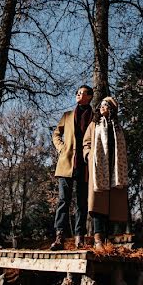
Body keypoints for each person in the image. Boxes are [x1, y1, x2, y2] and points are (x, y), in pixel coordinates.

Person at [50, 85, 94, 250]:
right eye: (77, 93)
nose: (78, 95)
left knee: (82, 203)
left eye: (82, 93)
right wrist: (61, 148)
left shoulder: (94, 117)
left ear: (89, 96)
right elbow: (56, 134)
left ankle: (79, 239)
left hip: (85, 165)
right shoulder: (67, 116)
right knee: (63, 201)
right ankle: (59, 237)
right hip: (66, 164)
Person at [83, 96, 128, 249]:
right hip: (99, 169)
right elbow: (86, 143)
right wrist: (88, 155)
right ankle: (98, 239)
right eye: (101, 105)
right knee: (98, 205)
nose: (102, 107)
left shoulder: (118, 127)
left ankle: (109, 239)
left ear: (112, 109)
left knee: (111, 206)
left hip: (114, 170)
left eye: (106, 105)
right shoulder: (94, 125)